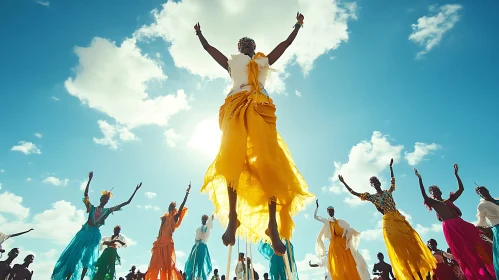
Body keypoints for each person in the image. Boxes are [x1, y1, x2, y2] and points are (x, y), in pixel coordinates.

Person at [195, 12, 314, 254]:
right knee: (232, 160)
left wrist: (298, 26)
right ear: (238, 48)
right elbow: (210, 50)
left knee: (270, 163)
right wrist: (200, 36)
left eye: (250, 42)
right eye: (242, 43)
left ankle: (272, 225)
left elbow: (286, 44)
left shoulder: (263, 61)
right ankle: (232, 218)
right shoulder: (233, 63)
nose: (246, 44)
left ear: (255, 47)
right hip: (235, 107)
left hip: (260, 108)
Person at [339, 158, 435, 279]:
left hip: (399, 218)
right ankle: (408, 273)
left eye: (376, 181)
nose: (375, 183)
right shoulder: (372, 197)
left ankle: (421, 273)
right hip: (388, 222)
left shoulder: (388, 192)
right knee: (399, 249)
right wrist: (344, 183)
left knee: (412, 243)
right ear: (371, 185)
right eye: (372, 183)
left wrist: (390, 168)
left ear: (379, 182)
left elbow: (393, 182)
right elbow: (354, 192)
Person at [51, 171, 142, 280]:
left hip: (94, 234)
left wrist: (135, 190)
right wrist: (89, 180)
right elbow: (85, 195)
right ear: (100, 199)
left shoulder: (107, 211)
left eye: (107, 199)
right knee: (74, 255)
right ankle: (68, 277)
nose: (105, 200)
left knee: (87, 258)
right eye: (104, 198)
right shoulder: (92, 208)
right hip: (84, 232)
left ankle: (81, 278)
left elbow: (126, 202)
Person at [414, 165, 495, 279]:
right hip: (450, 227)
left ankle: (490, 268)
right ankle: (477, 275)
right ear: (432, 195)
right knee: (464, 252)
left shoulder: (448, 200)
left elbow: (461, 189)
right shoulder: (433, 203)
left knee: (478, 242)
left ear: (440, 191)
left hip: (460, 223)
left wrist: (456, 174)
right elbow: (424, 195)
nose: (435, 192)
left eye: (436, 190)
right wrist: (420, 179)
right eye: (433, 191)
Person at [314, 199, 370, 279]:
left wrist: (350, 232)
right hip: (334, 247)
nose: (331, 212)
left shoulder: (340, 222)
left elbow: (347, 230)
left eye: (332, 210)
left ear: (334, 211)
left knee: (350, 263)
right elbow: (315, 217)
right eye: (329, 210)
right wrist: (317, 207)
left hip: (344, 246)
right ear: (327, 211)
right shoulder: (326, 222)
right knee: (337, 266)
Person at [146, 184, 190, 280]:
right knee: (155, 264)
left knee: (167, 266)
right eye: (169, 206)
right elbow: (160, 230)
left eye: (172, 207)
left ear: (174, 209)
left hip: (168, 243)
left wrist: (187, 193)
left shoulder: (175, 217)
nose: (170, 208)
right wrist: (158, 240)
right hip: (160, 243)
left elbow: (182, 205)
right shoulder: (164, 218)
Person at [476, 185, 499, 277]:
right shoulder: (482, 206)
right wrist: (486, 229)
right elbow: (480, 222)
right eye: (480, 192)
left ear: (487, 189)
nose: (482, 192)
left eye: (484, 189)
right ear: (479, 195)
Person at [184, 214, 214, 280]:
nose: (203, 221)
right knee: (193, 262)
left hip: (202, 247)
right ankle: (193, 276)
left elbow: (207, 231)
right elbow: (197, 238)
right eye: (203, 219)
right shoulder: (199, 229)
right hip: (196, 246)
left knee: (201, 262)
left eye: (205, 219)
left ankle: (198, 277)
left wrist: (211, 220)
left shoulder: (207, 228)